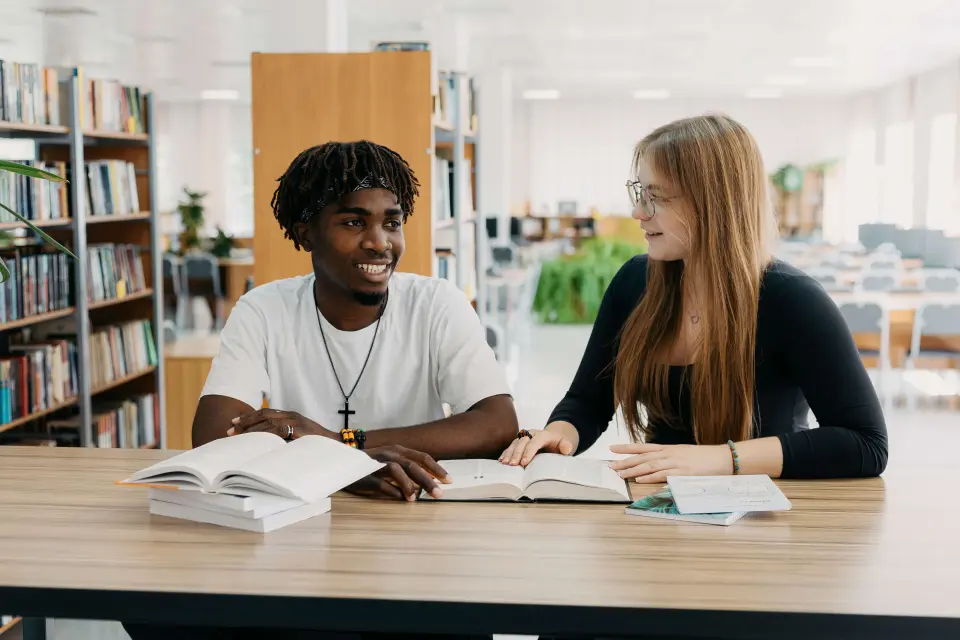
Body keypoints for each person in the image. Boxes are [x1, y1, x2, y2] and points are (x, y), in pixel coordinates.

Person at [123, 142, 512, 640]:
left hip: (411, 529)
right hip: (296, 533)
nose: (379, 242)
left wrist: (333, 443)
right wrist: (350, 466)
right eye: (353, 223)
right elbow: (214, 433)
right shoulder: (264, 309)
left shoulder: (436, 303)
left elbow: (496, 423)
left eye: (391, 223)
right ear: (305, 232)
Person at [500, 114, 888, 481]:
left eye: (656, 197)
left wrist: (722, 458)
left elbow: (866, 443)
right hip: (658, 508)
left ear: (713, 203)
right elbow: (588, 400)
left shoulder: (794, 299)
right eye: (639, 193)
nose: (638, 212)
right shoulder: (635, 281)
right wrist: (558, 434)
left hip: (764, 519)